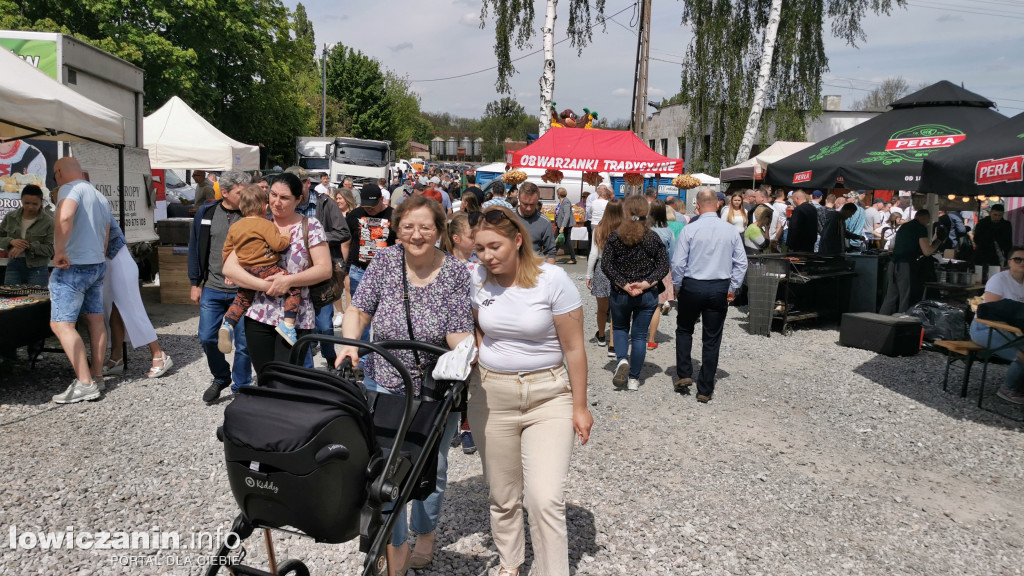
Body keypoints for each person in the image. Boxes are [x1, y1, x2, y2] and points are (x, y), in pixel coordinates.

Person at [335, 195, 473, 576]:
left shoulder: (456, 273)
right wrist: (349, 346)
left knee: (434, 466)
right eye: (408, 226)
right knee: (386, 466)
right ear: (397, 229)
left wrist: (468, 356)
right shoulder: (384, 262)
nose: (416, 234)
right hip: (388, 380)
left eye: (426, 226)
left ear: (440, 230)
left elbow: (458, 332)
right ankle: (395, 545)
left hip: (436, 389)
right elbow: (359, 310)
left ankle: (424, 533)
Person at [467, 205, 592, 576]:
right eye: (480, 249)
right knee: (502, 495)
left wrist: (580, 406)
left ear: (518, 240)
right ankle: (510, 563)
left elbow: (574, 348)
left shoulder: (552, 280)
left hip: (548, 396)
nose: (487, 257)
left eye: (495, 247)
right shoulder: (476, 278)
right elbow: (478, 328)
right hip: (492, 396)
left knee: (545, 497)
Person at [222, 172, 332, 375]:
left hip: (295, 319)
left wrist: (288, 281)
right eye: (272, 195)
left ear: (299, 199)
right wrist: (266, 286)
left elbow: (325, 269)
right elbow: (229, 268)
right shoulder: (256, 223)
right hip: (258, 313)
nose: (276, 202)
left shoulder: (310, 226)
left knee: (289, 379)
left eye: (284, 197)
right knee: (264, 376)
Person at [671, 188, 748, 403]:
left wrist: (677, 285)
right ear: (717, 204)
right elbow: (741, 263)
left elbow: (678, 263)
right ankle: (705, 388)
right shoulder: (731, 230)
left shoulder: (690, 229)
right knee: (712, 338)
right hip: (719, 287)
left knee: (685, 328)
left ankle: (685, 372)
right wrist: (733, 286)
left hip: (693, 285)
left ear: (697, 204)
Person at [48, 157, 112, 404]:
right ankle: (97, 375)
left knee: (62, 325)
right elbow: (105, 234)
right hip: (96, 263)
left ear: (60, 172)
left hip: (73, 264)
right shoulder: (99, 196)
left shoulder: (69, 188)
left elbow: (65, 217)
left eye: (55, 175)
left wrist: (60, 250)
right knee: (96, 321)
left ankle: (85, 383)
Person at [188, 170, 253, 403]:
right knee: (207, 337)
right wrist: (195, 282)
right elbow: (196, 248)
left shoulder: (252, 214)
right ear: (224, 192)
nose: (246, 195)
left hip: (244, 290)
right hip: (213, 288)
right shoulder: (207, 213)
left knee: (244, 343)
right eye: (240, 192)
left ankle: (241, 387)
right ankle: (221, 376)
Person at [217, 184, 301, 352]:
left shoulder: (235, 227)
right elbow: (278, 245)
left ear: (240, 206)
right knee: (293, 288)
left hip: (245, 271)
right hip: (266, 268)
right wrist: (285, 236)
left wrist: (232, 274)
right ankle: (288, 325)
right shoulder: (265, 225)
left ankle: (228, 325)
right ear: (265, 207)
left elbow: (226, 251)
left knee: (242, 299)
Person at [601, 196, 669, 390]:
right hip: (646, 294)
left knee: (621, 328)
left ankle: (622, 360)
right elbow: (664, 265)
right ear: (646, 213)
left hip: (621, 293)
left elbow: (606, 265)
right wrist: (646, 284)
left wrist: (624, 284)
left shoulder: (615, 236)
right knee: (639, 336)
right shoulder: (652, 237)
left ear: (626, 212)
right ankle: (633, 379)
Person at [101, 213, 174, 378]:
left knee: (132, 310)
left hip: (118, 262)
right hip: (109, 264)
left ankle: (159, 355)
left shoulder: (95, 205)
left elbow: (103, 241)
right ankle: (116, 358)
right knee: (114, 313)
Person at [969, 246, 1024, 404]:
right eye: (1018, 259)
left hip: (1013, 329)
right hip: (985, 328)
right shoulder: (999, 279)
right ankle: (1007, 388)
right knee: (1022, 353)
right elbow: (990, 312)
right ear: (1009, 262)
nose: (1022, 263)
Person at [346, 182, 398, 340]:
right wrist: (345, 272)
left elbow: (399, 243)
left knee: (385, 316)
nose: (370, 209)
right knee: (361, 315)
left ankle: (381, 354)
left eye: (373, 205)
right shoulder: (354, 215)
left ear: (382, 199)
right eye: (366, 206)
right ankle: (361, 358)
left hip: (387, 274)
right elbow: (347, 243)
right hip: (358, 271)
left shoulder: (394, 216)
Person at [879, 209, 945, 314]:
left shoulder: (904, 226)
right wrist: (938, 241)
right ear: (925, 218)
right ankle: (902, 324)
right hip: (905, 265)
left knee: (890, 297)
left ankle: (880, 322)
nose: (928, 223)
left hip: (893, 263)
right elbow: (927, 251)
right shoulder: (920, 228)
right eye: (928, 220)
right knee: (905, 298)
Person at [587, 199, 624, 357]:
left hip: (602, 269)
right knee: (617, 309)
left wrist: (588, 274)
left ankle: (601, 336)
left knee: (601, 308)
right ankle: (613, 344)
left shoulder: (599, 228)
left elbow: (593, 254)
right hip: (619, 270)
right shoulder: (625, 229)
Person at [1, 184, 54, 286]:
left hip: (38, 268)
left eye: (35, 204)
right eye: (26, 203)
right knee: (11, 299)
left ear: (41, 202)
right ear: (21, 200)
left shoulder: (49, 222)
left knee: (37, 300)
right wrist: (10, 241)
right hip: (14, 266)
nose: (30, 207)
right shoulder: (10, 217)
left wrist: (28, 246)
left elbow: (51, 250)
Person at [646, 200, 676, 350]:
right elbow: (672, 255)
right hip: (661, 271)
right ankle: (651, 339)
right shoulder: (668, 232)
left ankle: (637, 335)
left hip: (643, 270)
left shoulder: (643, 229)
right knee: (656, 306)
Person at [515, 182, 557, 264]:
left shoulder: (545, 222)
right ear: (519, 199)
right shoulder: (509, 216)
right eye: (525, 204)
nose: (528, 208)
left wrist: (549, 274)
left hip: (534, 270)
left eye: (532, 204)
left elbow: (550, 252)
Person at [554, 186, 576, 265]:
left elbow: (567, 215)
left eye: (557, 193)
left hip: (565, 225)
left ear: (559, 194)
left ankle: (573, 258)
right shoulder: (561, 201)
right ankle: (551, 256)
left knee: (567, 241)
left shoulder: (566, 202)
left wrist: (562, 227)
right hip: (560, 224)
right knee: (556, 239)